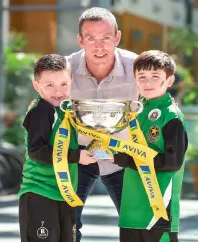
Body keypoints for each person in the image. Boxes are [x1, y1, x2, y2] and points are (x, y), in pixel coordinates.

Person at [66, 7, 139, 241]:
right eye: (91, 39)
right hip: (79, 158)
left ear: (117, 37)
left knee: (137, 223)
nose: (99, 46)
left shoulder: (137, 68)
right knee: (67, 223)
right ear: (80, 40)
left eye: (106, 38)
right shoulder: (64, 69)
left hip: (124, 159)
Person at [18, 54, 97, 242]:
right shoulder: (41, 111)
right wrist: (78, 156)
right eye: (50, 85)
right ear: (36, 86)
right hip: (40, 193)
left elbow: (67, 145)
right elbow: (37, 151)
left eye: (63, 84)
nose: (58, 91)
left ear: (71, 82)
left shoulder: (64, 110)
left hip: (63, 193)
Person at [112, 50, 188, 242]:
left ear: (169, 81)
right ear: (135, 81)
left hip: (159, 212)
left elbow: (172, 162)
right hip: (131, 211)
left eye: (155, 77)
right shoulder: (135, 113)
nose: (148, 83)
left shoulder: (171, 116)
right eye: (142, 77)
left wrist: (128, 160)